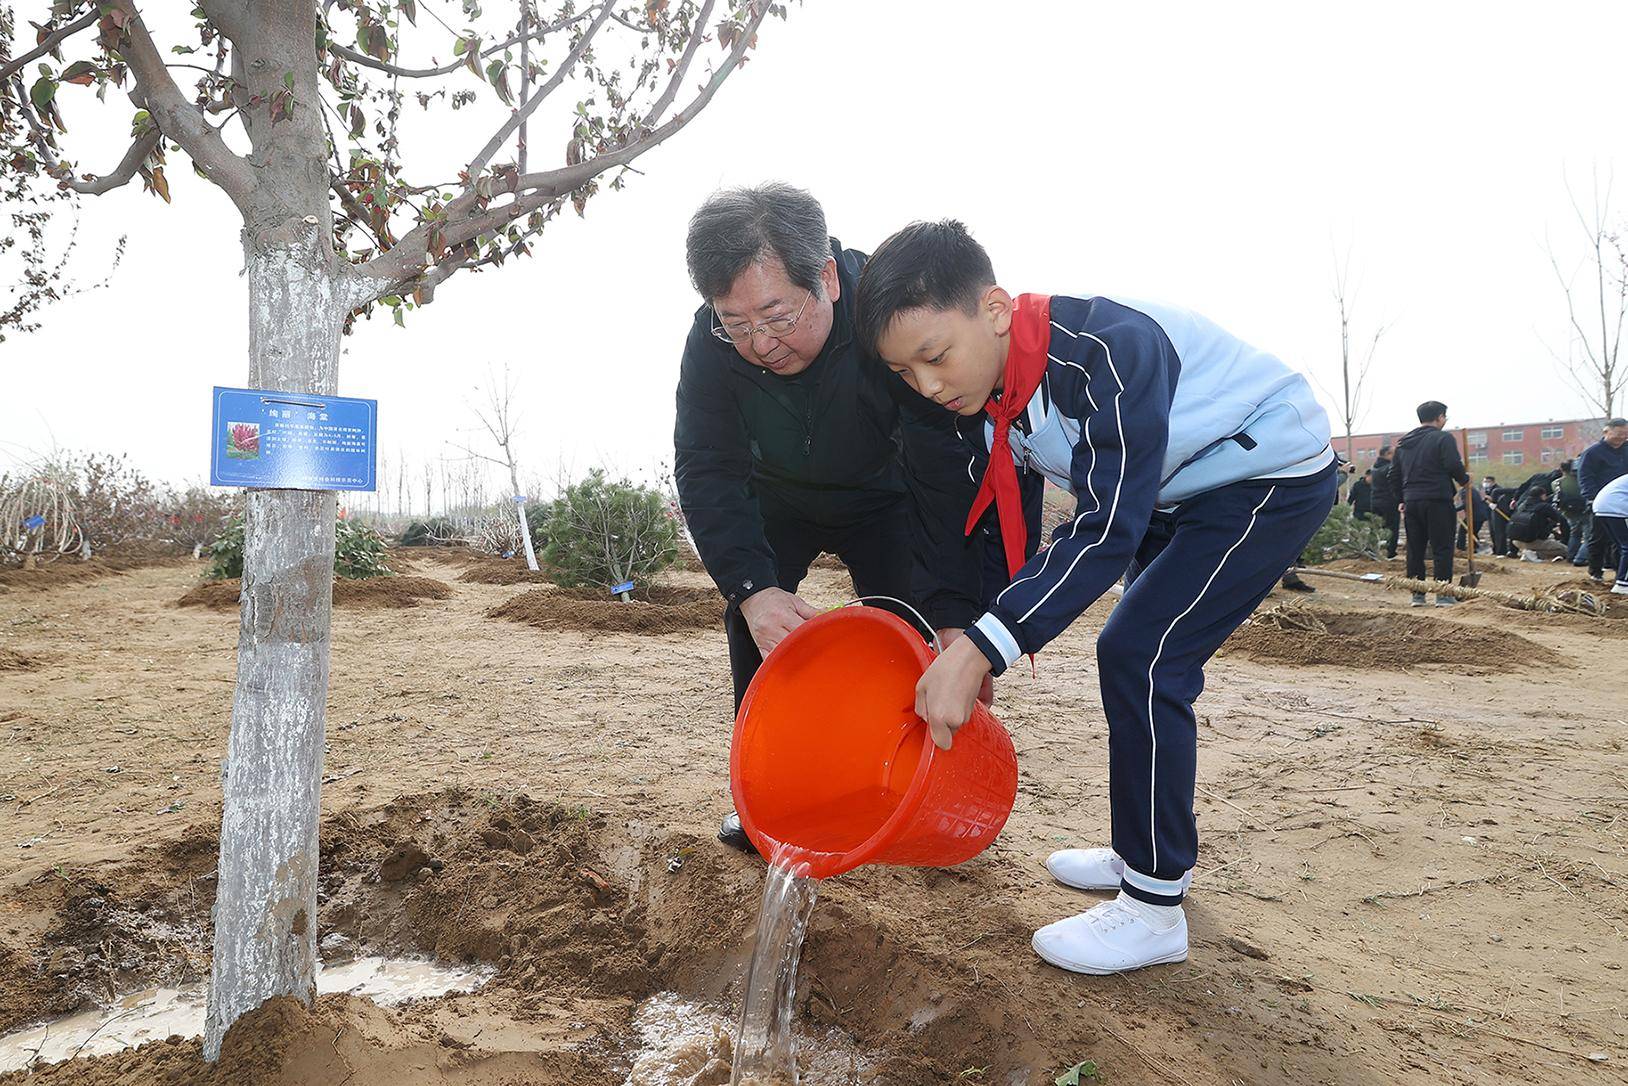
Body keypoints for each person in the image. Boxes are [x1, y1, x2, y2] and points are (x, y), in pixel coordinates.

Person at [855, 220, 1336, 976]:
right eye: (904, 372)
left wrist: (988, 644)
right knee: (1137, 656)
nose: (928, 386)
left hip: (1262, 475)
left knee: (1142, 654)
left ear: (994, 307)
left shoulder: (1108, 350)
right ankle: (1138, 852)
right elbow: (997, 530)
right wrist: (967, 635)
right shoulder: (993, 396)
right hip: (1178, 493)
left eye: (934, 356)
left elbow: (1107, 525)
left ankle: (1151, 912)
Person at [673, 183, 970, 854]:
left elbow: (944, 466)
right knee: (757, 619)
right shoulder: (710, 345)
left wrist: (959, 611)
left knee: (923, 625)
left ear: (829, 278)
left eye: (776, 315)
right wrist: (751, 590)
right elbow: (705, 463)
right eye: (736, 322)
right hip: (777, 498)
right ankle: (770, 798)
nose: (759, 343)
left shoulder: (886, 311)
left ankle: (927, 791)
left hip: (890, 496)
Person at [1394, 401, 1470, 606]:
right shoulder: (1442, 438)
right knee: (1442, 547)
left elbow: (1394, 474)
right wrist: (1464, 480)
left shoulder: (1404, 442)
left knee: (1415, 548)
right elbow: (1453, 464)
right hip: (1437, 499)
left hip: (1412, 501)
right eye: (1444, 417)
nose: (1445, 421)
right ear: (1439, 417)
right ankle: (1443, 594)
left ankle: (1417, 595)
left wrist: (1401, 499)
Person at [1578, 418, 1628, 582]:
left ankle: (1619, 572)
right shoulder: (1593, 453)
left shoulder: (1626, 450)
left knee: (1620, 541)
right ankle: (1595, 572)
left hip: (1623, 503)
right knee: (1598, 538)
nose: (1622, 437)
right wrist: (1592, 498)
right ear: (1606, 431)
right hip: (1601, 502)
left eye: (1626, 434)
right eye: (1619, 434)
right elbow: (1585, 478)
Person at [1589, 473, 1628, 594]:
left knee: (1622, 546)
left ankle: (1620, 578)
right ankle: (1622, 583)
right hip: (1617, 507)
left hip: (1602, 507)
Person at [1507, 484, 1568, 562]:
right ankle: (1535, 554)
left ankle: (1528, 553)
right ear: (1542, 495)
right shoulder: (1544, 506)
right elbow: (1561, 519)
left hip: (1516, 541)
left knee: (1550, 538)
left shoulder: (1521, 505)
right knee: (1565, 550)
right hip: (1533, 541)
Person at [1369, 444, 1400, 558]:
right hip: (1389, 502)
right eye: (1394, 453)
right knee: (1393, 528)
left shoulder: (1374, 467)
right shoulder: (1389, 468)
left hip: (1375, 501)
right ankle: (1390, 552)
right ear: (1387, 454)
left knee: (1375, 527)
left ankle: (1372, 551)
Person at [1556, 460, 1589, 564]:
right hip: (1584, 511)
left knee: (1575, 534)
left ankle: (1571, 555)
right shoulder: (1581, 480)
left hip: (1568, 512)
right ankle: (1581, 558)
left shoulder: (1557, 483)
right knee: (1589, 537)